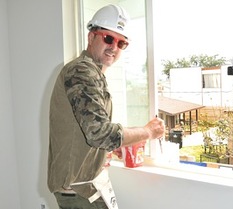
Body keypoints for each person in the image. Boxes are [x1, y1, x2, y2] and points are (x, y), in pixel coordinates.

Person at [47, 4, 164, 209]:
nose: (114, 47)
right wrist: (147, 132)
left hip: (87, 187)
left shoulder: (94, 73)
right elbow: (100, 134)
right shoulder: (81, 72)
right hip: (79, 193)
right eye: (108, 38)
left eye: (122, 43)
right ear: (91, 37)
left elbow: (86, 132)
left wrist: (109, 149)